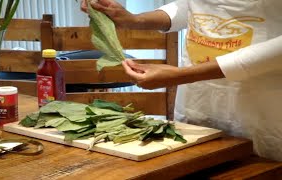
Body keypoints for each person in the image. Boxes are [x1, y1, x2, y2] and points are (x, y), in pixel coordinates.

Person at [81, 0, 282, 161]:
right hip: (199, 99)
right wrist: (135, 20)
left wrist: (182, 75)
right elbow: (197, 5)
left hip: (262, 104)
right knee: (194, 162)